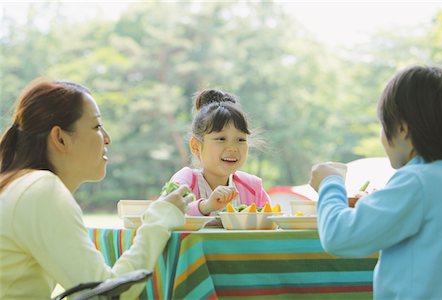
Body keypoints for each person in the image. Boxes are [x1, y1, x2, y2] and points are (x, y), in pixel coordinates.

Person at [0, 78, 194, 299]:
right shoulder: (40, 189)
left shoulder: (18, 184)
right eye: (97, 126)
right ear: (60, 138)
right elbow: (104, 294)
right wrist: (160, 218)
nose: (108, 139)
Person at [309, 65, 442, 299]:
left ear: (403, 129)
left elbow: (339, 236)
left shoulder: (417, 182)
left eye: (384, 126)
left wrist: (330, 183)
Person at [169, 89, 270, 216]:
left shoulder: (252, 187)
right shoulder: (186, 180)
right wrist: (206, 206)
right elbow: (165, 211)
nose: (232, 148)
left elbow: (269, 222)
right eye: (221, 139)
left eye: (240, 139)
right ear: (195, 146)